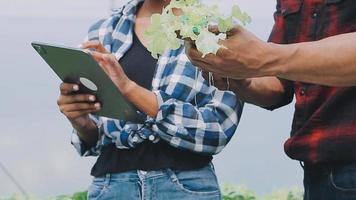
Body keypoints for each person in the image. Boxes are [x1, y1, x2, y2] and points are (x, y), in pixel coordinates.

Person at [56, 0, 243, 199]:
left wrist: (130, 89)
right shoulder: (104, 30)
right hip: (111, 188)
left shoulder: (218, 31)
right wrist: (81, 121)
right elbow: (98, 134)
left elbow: (217, 130)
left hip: (185, 188)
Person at [186, 0, 356, 199]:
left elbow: (272, 59)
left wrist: (263, 57)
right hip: (318, 171)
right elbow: (278, 83)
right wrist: (241, 78)